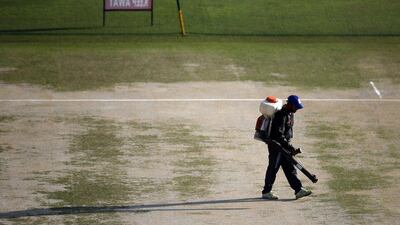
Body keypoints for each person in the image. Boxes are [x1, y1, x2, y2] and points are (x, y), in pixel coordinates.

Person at [261, 95, 312, 200]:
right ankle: (266, 191)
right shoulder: (281, 115)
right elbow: (278, 135)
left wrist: (289, 146)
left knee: (290, 168)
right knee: (273, 168)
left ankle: (298, 190)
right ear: (290, 105)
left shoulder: (290, 114)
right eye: (296, 107)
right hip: (277, 146)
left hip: (284, 146)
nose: (297, 109)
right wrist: (290, 147)